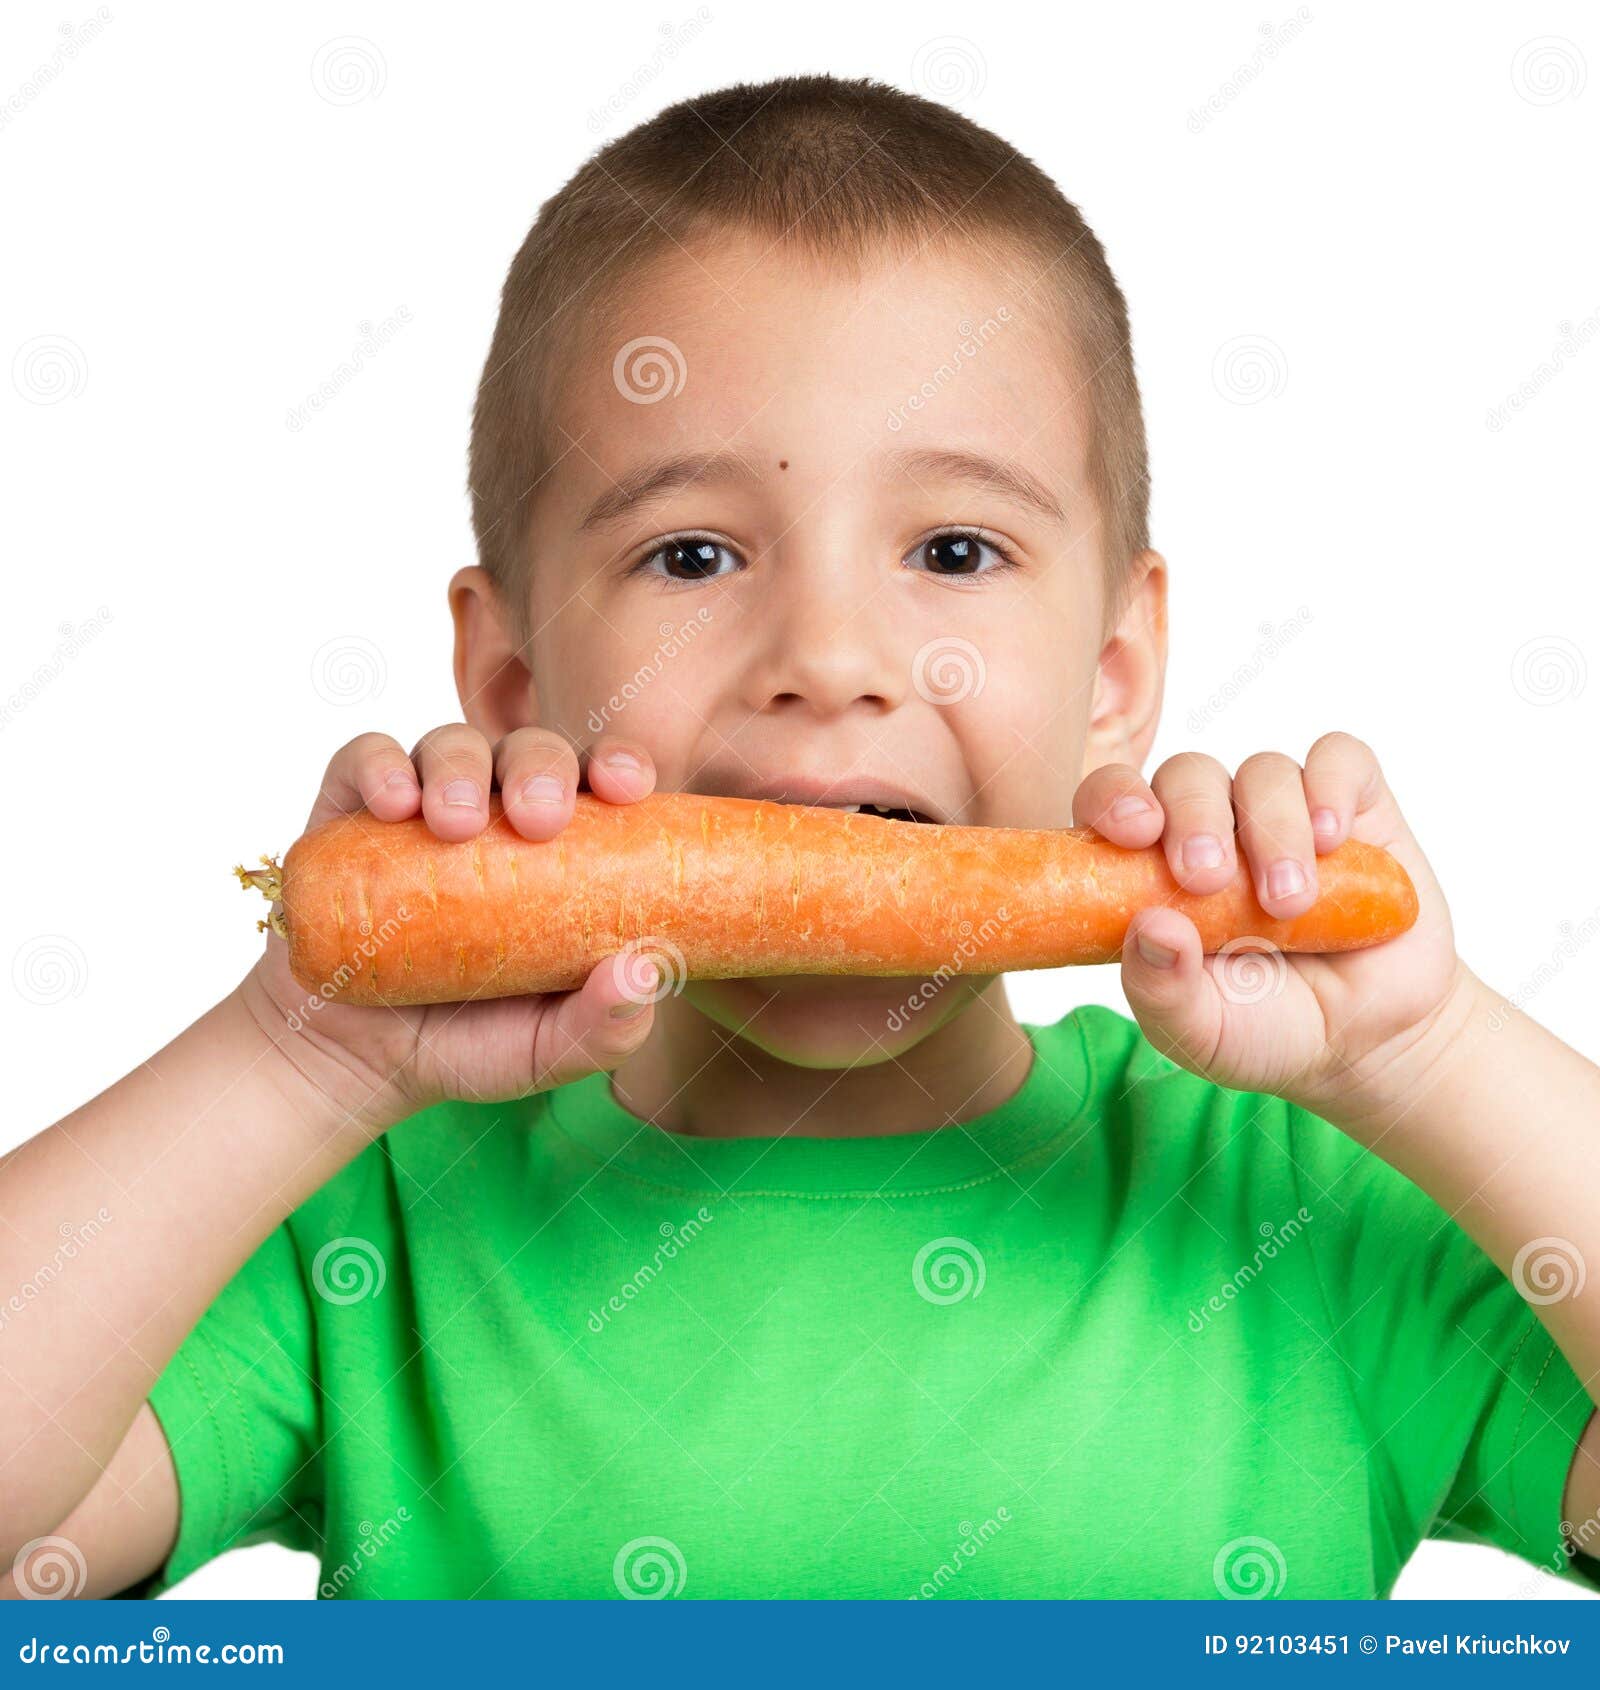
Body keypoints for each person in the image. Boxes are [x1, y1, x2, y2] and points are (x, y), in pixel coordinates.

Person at [5, 73, 1599, 1601]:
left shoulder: (1294, 1202)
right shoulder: (366, 1230)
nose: (828, 653)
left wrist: (1432, 1050)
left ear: (1114, 679)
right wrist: (296, 1056)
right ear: (509, 684)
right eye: (692, 552)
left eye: (955, 547)